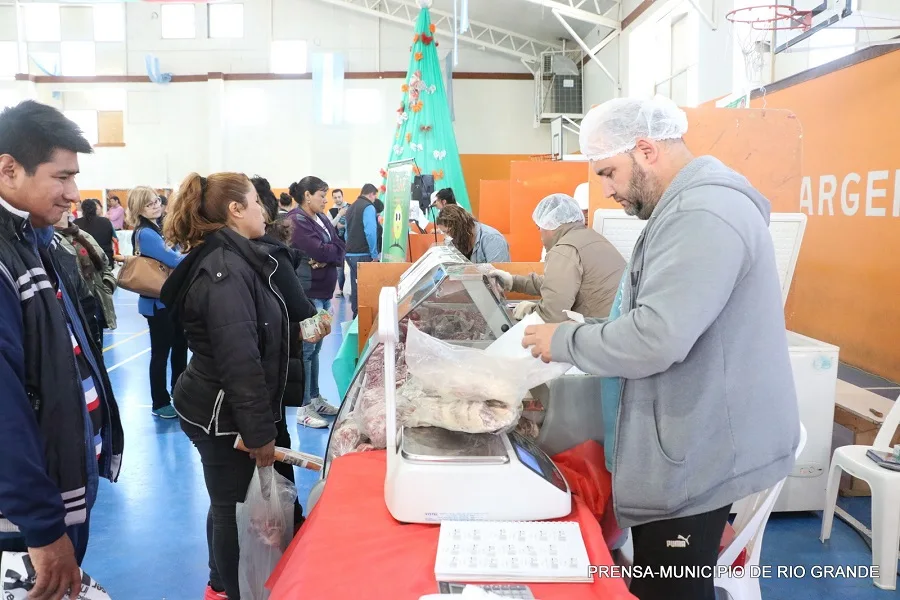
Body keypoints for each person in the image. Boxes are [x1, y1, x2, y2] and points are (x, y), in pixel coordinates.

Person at [521, 96, 801, 600]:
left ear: (646, 149)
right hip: (694, 435)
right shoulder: (683, 209)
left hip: (698, 451)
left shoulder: (703, 213)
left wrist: (563, 340)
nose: (606, 191)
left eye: (609, 173)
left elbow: (656, 335)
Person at [159, 172, 327, 600]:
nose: (263, 211)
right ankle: (227, 590)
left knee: (230, 503)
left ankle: (231, 583)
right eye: (255, 202)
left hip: (233, 405)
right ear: (235, 210)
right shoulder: (225, 270)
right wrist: (259, 434)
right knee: (231, 508)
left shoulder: (239, 258)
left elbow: (260, 332)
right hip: (220, 413)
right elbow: (239, 358)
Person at [0, 100, 124, 598]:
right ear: (9, 169)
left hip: (61, 487)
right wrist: (43, 527)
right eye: (62, 177)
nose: (74, 193)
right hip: (22, 522)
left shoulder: (35, 241)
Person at [489, 194, 625, 323]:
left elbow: (552, 316)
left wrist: (531, 312)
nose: (540, 235)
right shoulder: (591, 238)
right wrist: (513, 282)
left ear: (549, 225)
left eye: (539, 228)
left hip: (597, 333)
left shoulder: (564, 249)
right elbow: (557, 284)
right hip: (617, 326)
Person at [287, 176, 345, 427]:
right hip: (308, 294)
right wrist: (329, 254)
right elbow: (320, 251)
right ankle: (303, 408)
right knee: (306, 350)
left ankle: (315, 396)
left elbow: (339, 246)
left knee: (317, 348)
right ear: (307, 195)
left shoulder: (321, 219)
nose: (325, 200)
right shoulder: (296, 221)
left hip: (323, 292)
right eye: (322, 195)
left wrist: (329, 255)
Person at [126, 186, 188, 419]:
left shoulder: (157, 228)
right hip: (156, 303)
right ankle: (160, 401)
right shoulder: (146, 233)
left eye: (157, 202)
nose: (156, 206)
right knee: (161, 353)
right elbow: (173, 259)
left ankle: (179, 393)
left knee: (180, 347)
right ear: (139, 209)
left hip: (168, 301)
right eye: (150, 204)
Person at [54, 209, 118, 347]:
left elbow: (105, 264)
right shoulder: (48, 241)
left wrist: (107, 286)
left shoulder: (83, 236)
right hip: (72, 312)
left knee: (97, 352)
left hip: (95, 306)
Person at [344, 183, 380, 318]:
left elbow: (346, 233)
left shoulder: (350, 207)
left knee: (356, 287)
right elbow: (370, 232)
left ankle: (356, 315)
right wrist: (374, 254)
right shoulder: (368, 207)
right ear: (371, 194)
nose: (374, 200)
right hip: (364, 254)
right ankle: (364, 318)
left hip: (350, 254)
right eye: (374, 197)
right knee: (366, 289)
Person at [436, 204, 510, 264]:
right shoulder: (458, 240)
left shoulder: (492, 239)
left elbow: (498, 278)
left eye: (449, 232)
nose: (449, 236)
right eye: (444, 232)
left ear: (460, 227)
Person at [74, 198, 117, 265]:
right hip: (105, 258)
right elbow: (113, 238)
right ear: (95, 208)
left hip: (84, 261)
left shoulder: (76, 223)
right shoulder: (106, 222)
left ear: (82, 209)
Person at [328, 188, 348, 296]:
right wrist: (339, 215)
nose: (337, 199)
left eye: (339, 197)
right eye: (335, 197)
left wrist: (344, 225)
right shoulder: (331, 211)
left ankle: (351, 289)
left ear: (342, 196)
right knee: (340, 269)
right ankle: (341, 290)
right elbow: (330, 225)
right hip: (338, 244)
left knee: (349, 268)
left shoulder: (350, 207)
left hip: (350, 243)